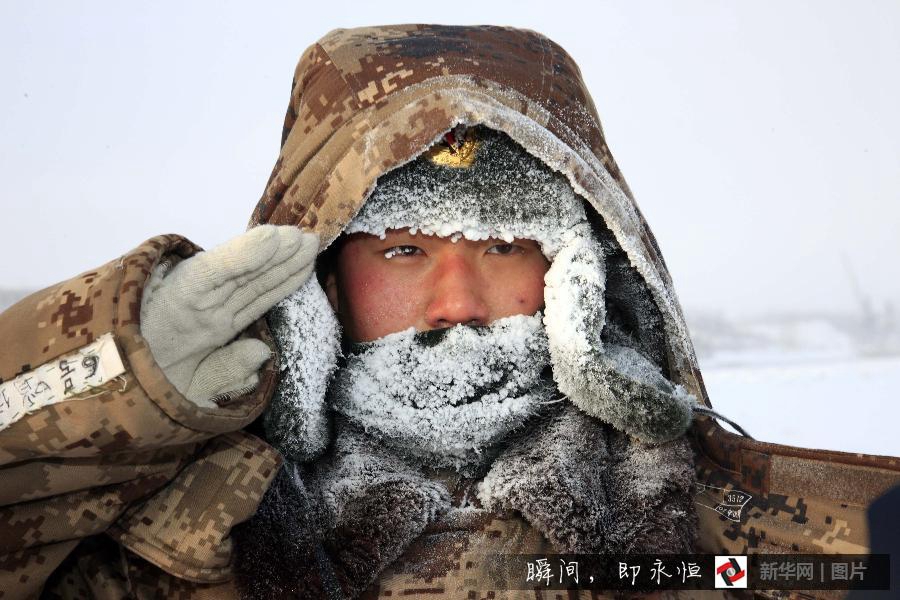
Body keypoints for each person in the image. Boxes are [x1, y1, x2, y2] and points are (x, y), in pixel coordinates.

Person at [0, 24, 715, 599]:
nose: (457, 305)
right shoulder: (168, 540)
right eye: (403, 252)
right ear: (325, 289)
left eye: (501, 247)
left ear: (574, 275)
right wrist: (118, 381)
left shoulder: (732, 534)